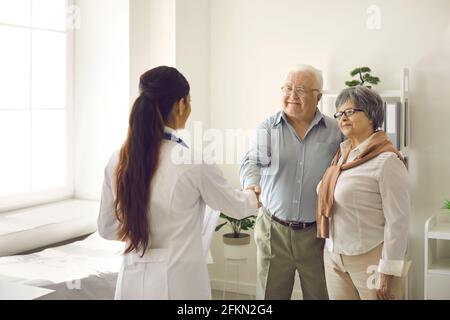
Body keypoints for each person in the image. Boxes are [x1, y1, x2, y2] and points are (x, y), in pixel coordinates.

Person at [97, 66, 260, 300]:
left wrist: (144, 233)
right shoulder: (192, 161)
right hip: (179, 284)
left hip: (131, 281)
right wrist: (252, 194)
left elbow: (107, 228)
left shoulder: (118, 159)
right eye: (189, 101)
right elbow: (237, 207)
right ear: (181, 104)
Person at [240, 64, 343, 299]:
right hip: (273, 231)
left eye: (301, 90)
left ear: (318, 96)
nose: (292, 95)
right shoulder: (267, 128)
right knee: (269, 296)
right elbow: (252, 161)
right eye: (287, 88)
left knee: (320, 295)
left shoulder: (335, 131)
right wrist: (251, 185)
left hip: (317, 233)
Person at [317, 86, 410, 300]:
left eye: (350, 112)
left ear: (371, 116)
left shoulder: (387, 161)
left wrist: (388, 270)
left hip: (371, 260)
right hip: (334, 256)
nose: (343, 117)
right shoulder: (342, 156)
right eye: (339, 113)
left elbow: (399, 221)